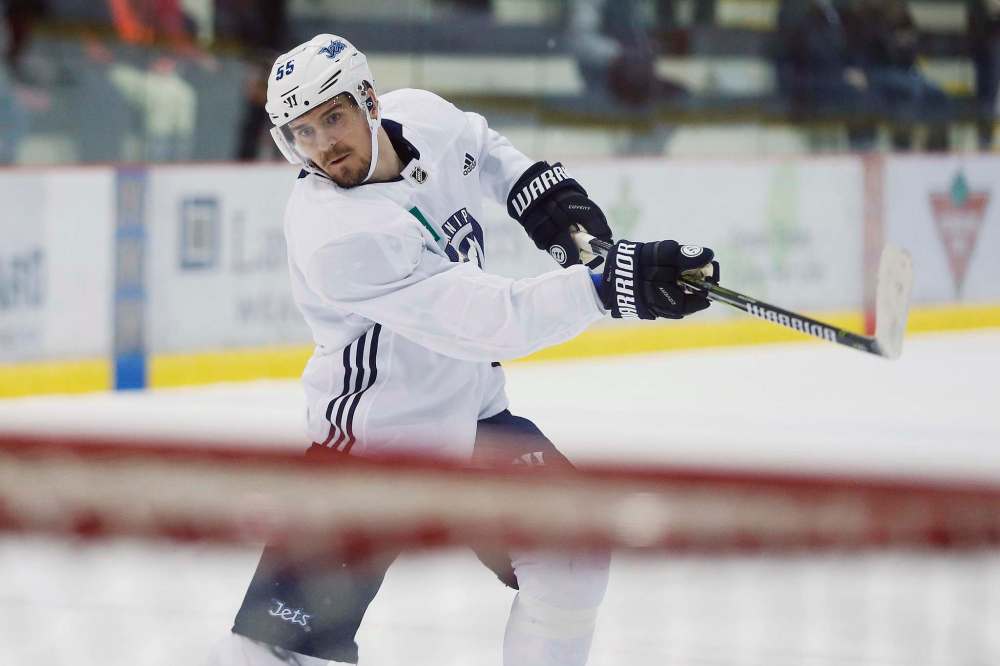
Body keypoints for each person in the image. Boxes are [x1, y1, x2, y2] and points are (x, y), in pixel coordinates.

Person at [209, 33, 719, 666]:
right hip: (377, 449)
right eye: (302, 133)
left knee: (573, 549)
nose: (324, 146)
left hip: (475, 422)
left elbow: (480, 146)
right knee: (275, 653)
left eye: (333, 118)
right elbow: (489, 319)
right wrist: (603, 286)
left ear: (369, 99)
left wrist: (538, 190)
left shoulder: (424, 115)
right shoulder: (338, 237)